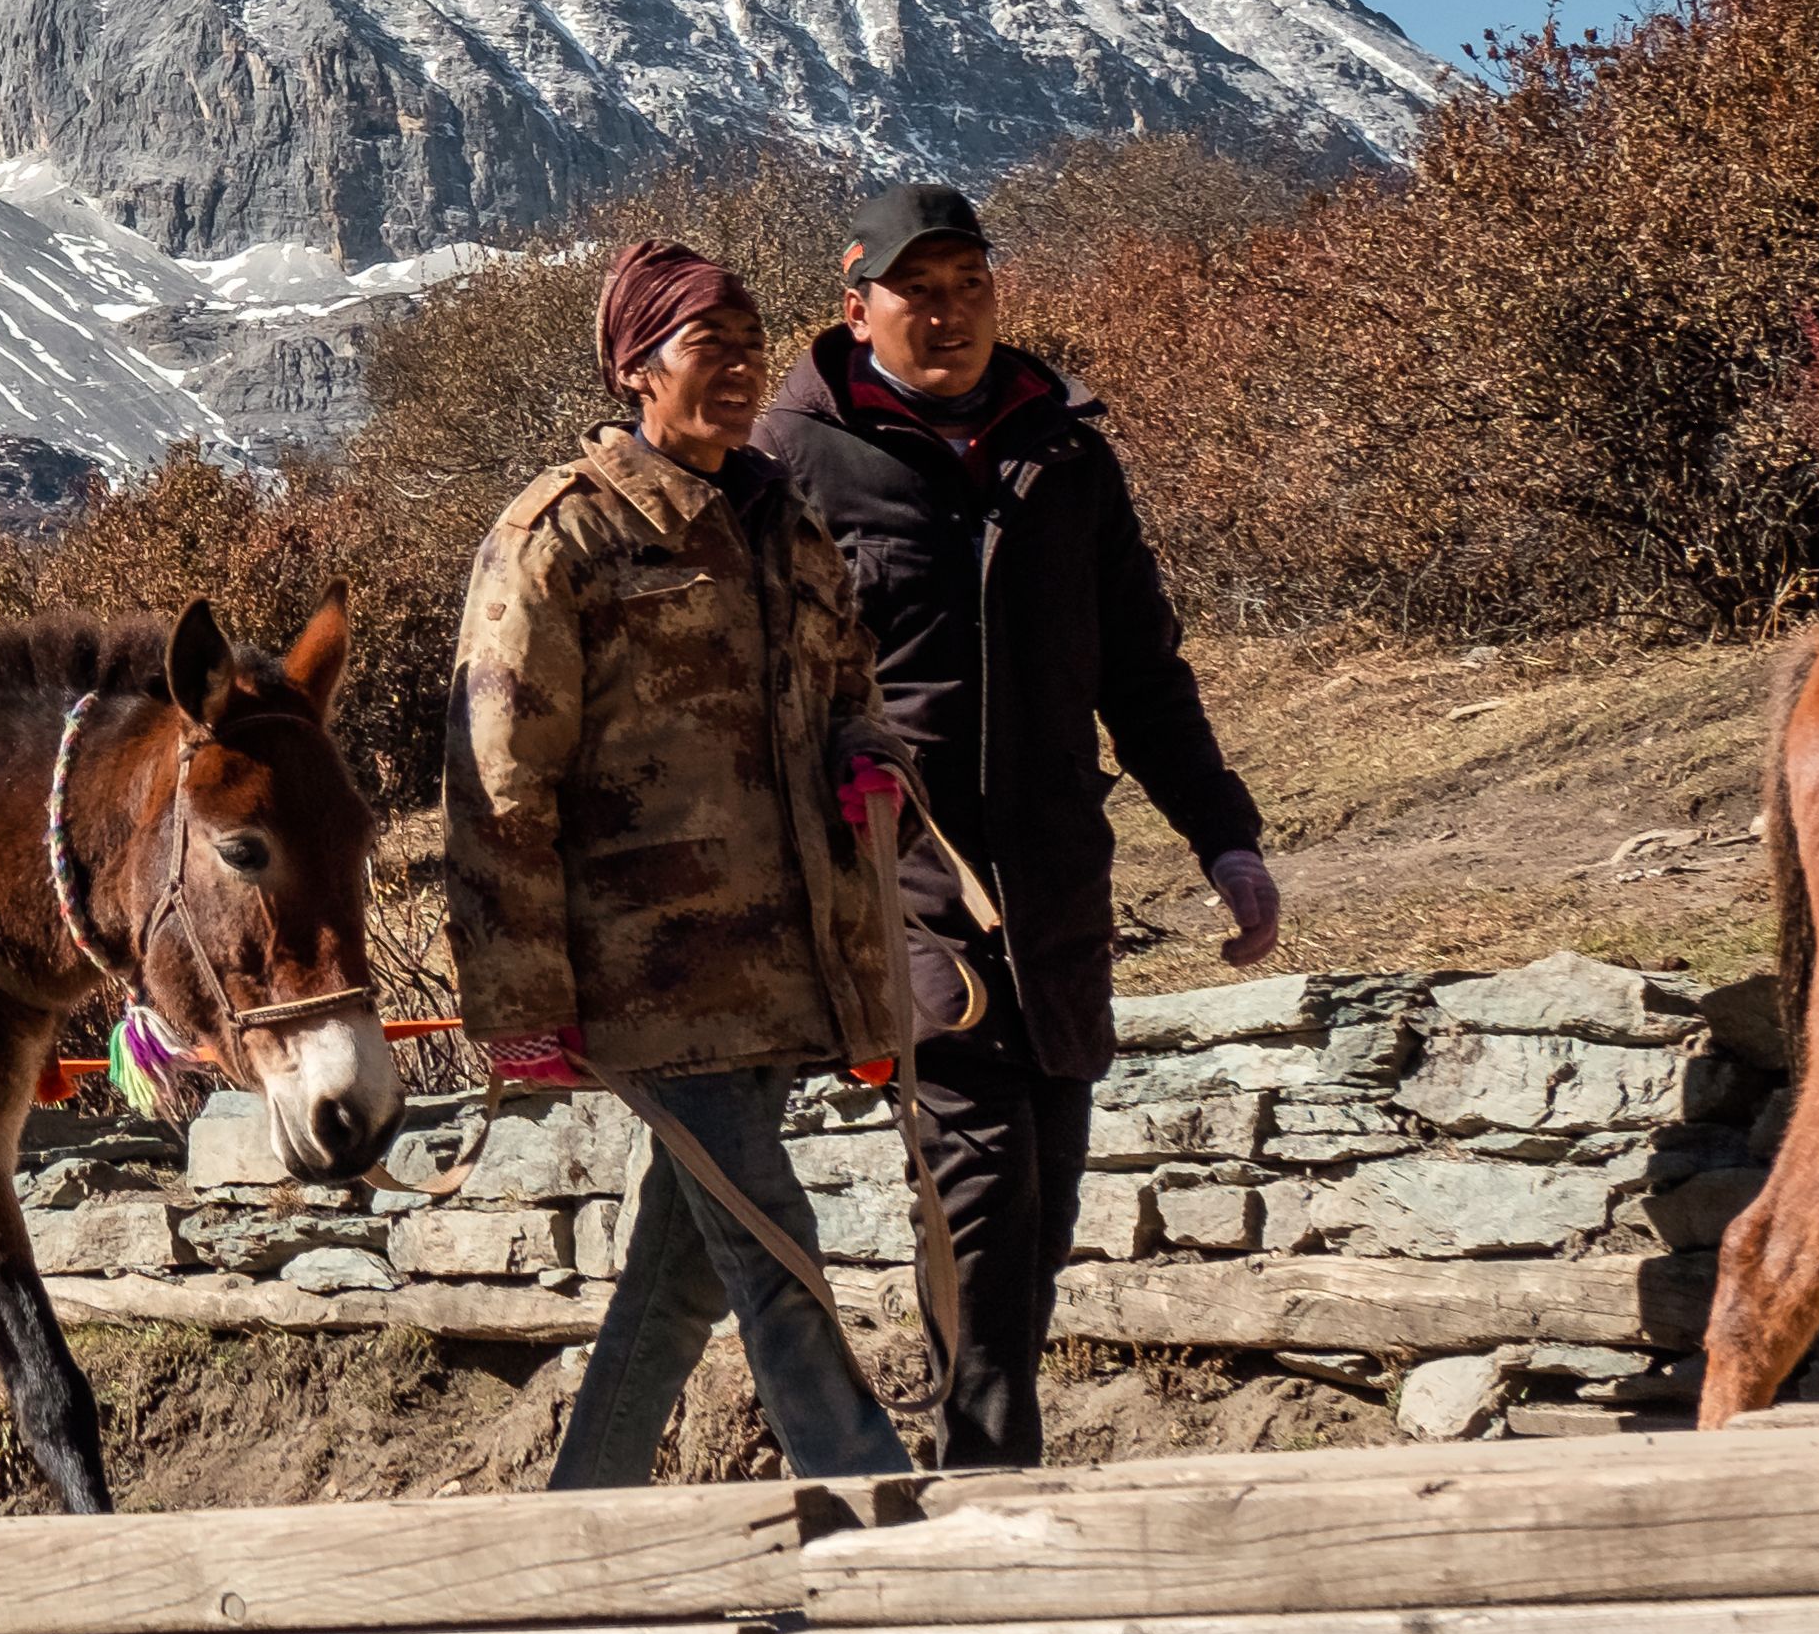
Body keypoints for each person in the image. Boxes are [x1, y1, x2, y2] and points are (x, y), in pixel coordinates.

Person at [758, 179, 1276, 1471]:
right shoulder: (793, 461)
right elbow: (749, 684)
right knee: (980, 1191)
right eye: (916, 292)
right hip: (904, 880)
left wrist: (1225, 839)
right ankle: (990, 1490)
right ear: (857, 308)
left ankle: (974, 1463)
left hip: (1057, 884)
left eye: (969, 287)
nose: (948, 314)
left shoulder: (1066, 452)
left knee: (1040, 1207)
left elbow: (1142, 673)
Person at [450, 237, 924, 1490]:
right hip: (649, 983)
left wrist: (866, 757)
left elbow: (850, 690)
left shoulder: (783, 523)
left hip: (784, 965)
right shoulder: (561, 535)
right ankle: (869, 1497)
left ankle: (582, 1515)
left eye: (752, 344)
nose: (742, 367)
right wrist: (522, 1001)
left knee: (682, 1275)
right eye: (709, 344)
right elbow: (500, 778)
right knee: (774, 1244)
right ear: (636, 367)